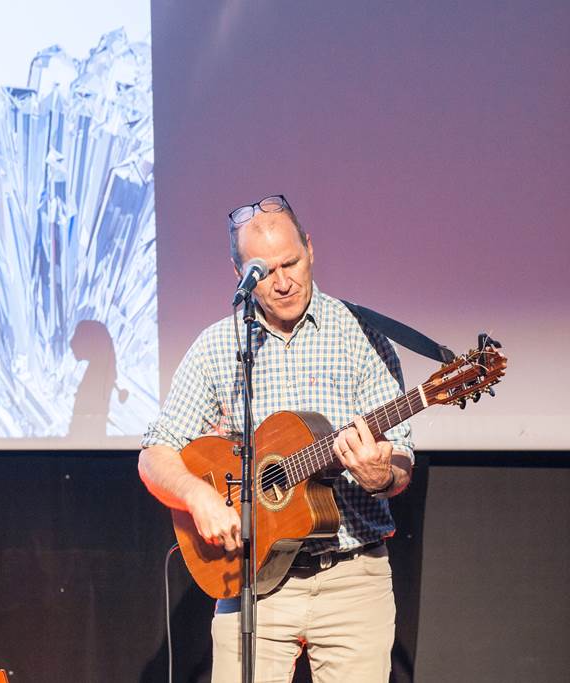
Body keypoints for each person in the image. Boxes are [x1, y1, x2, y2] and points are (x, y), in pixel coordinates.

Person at [138, 194, 414, 682]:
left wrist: (381, 474)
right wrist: (199, 497)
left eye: (292, 263)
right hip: (251, 581)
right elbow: (155, 454)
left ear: (310, 249)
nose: (283, 282)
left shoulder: (361, 335)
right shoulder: (218, 347)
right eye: (264, 272)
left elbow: (401, 462)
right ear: (239, 273)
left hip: (353, 579)